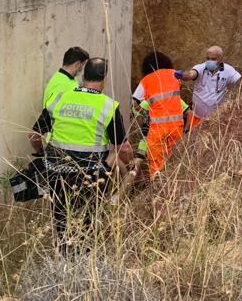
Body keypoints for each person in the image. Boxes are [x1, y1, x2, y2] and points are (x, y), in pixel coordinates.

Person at [28, 57, 133, 236]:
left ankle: (62, 254)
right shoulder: (107, 106)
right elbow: (122, 148)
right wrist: (130, 166)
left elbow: (34, 135)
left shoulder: (59, 98)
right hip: (91, 177)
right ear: (104, 78)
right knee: (88, 224)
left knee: (61, 218)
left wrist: (42, 153)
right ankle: (83, 258)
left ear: (83, 75)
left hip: (56, 171)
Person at [132, 50, 186, 174]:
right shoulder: (174, 74)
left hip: (157, 128)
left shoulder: (146, 80)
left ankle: (157, 188)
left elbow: (135, 102)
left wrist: (147, 110)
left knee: (156, 165)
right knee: (175, 161)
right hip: (176, 126)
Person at [176, 45, 242, 125]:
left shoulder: (228, 71)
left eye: (213, 59)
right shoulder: (200, 67)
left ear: (221, 59)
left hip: (215, 120)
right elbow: (191, 74)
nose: (209, 61)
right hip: (196, 117)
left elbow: (241, 82)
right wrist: (182, 75)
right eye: (207, 58)